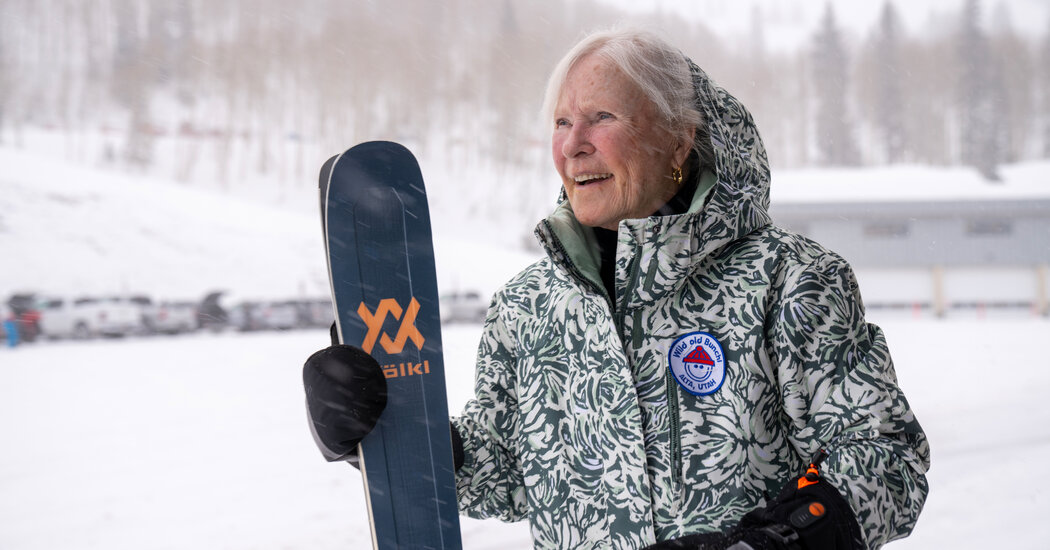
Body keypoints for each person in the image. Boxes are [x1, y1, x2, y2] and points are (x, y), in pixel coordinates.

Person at [303, 28, 930, 550]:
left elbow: (887, 460)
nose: (574, 145)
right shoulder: (527, 308)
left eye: (602, 117)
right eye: (561, 122)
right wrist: (384, 431)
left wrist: (768, 543)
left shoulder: (789, 279)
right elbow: (504, 476)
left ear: (678, 140)